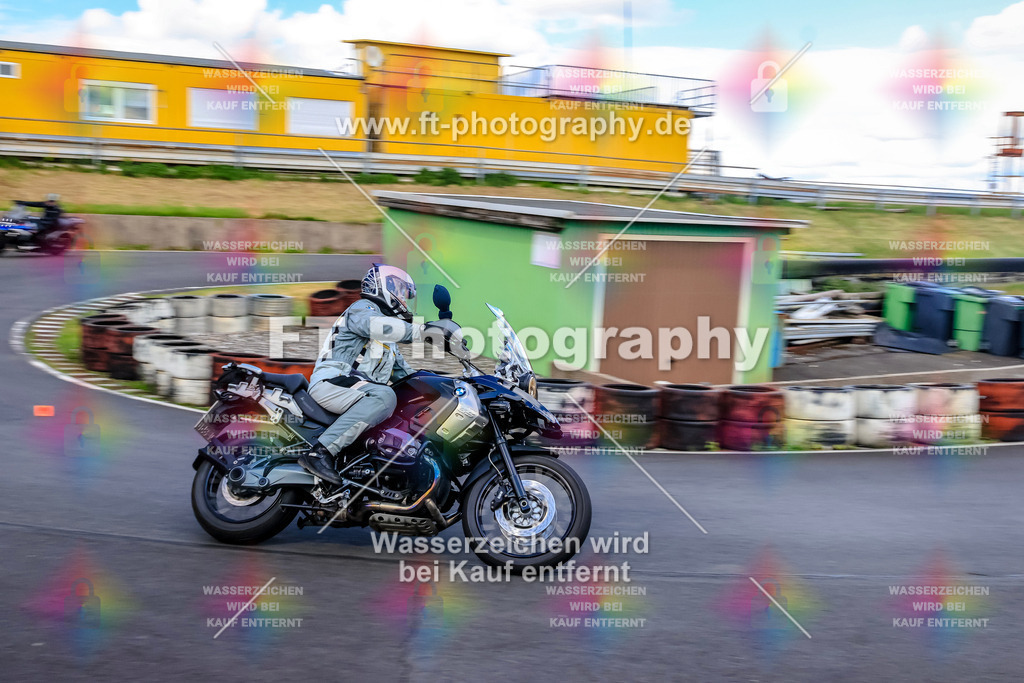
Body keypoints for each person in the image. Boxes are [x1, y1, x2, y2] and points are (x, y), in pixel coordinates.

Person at [298, 264, 425, 485]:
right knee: (385, 396)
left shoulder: (389, 343)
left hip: (357, 392)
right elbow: (377, 326)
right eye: (401, 291)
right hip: (331, 382)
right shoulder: (362, 309)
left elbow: (410, 379)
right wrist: (427, 331)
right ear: (384, 286)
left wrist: (453, 386)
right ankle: (319, 453)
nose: (405, 299)